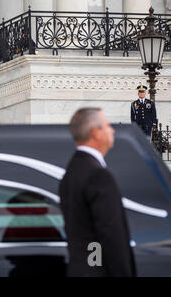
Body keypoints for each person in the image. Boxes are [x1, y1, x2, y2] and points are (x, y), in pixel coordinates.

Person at [59, 108, 136, 277]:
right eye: (107, 126)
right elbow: (111, 235)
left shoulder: (72, 171)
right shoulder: (98, 175)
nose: (113, 130)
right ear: (96, 133)